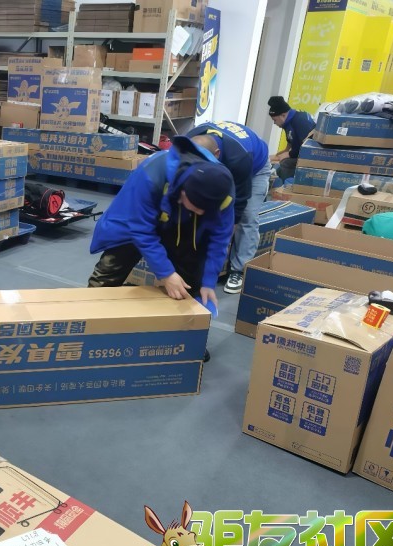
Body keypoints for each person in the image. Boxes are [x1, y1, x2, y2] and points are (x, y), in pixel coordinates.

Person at [88, 137, 235, 361]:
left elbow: (219, 238)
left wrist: (208, 282)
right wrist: (166, 273)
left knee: (191, 276)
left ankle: (186, 338)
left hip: (181, 221)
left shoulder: (222, 188)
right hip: (138, 218)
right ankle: (89, 324)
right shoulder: (152, 174)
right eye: (197, 207)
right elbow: (140, 229)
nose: (202, 213)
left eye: (206, 210)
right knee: (113, 266)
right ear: (183, 193)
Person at [188, 121, 271, 294]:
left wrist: (225, 238)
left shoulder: (239, 158)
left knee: (247, 216)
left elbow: (239, 204)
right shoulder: (187, 143)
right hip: (226, 160)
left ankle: (238, 270)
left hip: (255, 168)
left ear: (216, 154)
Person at [268, 96, 315, 182]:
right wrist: (276, 156)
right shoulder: (288, 122)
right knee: (274, 162)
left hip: (311, 157)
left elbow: (306, 146)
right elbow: (289, 145)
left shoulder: (300, 120)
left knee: (285, 163)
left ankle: (285, 186)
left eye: (275, 120)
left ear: (283, 115)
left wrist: (288, 154)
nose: (274, 123)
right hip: (300, 153)